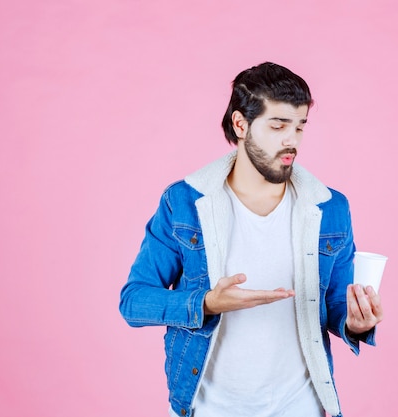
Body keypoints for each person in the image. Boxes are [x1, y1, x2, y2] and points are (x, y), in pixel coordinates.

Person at [119, 62, 384, 417]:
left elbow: (337, 301)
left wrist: (355, 322)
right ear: (240, 124)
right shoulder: (184, 203)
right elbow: (134, 302)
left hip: (301, 406)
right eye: (278, 125)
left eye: (300, 126)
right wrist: (209, 302)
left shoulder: (330, 208)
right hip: (209, 407)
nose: (292, 140)